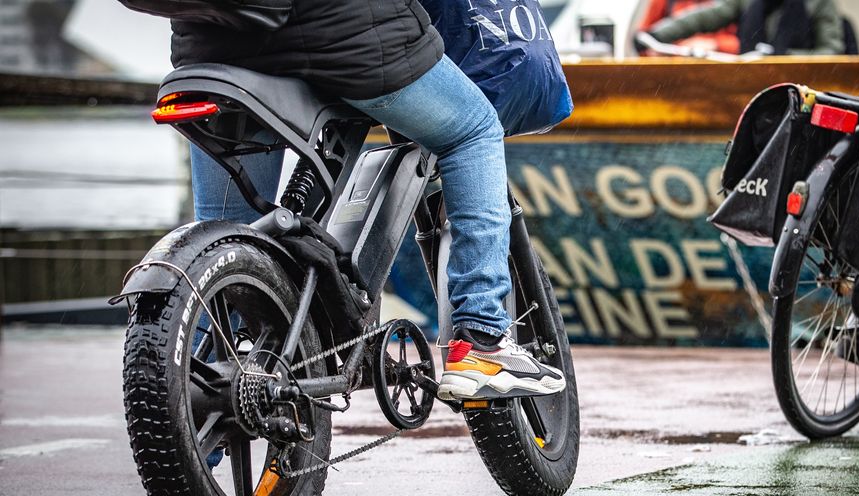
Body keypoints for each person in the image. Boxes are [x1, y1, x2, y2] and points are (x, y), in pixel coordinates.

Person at [174, 3, 567, 400]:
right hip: (341, 34)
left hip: (211, 43)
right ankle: (482, 341)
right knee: (474, 128)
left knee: (220, 249)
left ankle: (181, 426)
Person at [643, 0, 845, 56]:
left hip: (801, 96)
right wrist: (657, 34)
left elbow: (831, 51)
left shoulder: (818, 3)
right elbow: (706, 16)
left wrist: (783, 56)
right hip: (752, 89)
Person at [636, 0, 740, 55]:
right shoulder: (663, 2)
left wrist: (715, 45)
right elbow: (643, 40)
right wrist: (661, 49)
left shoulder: (730, 5)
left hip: (721, 70)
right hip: (673, 74)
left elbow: (746, 44)